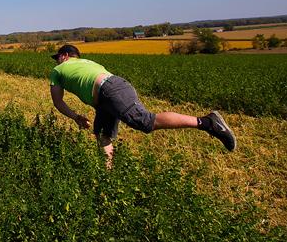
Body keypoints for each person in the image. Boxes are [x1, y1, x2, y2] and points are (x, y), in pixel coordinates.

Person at [49, 44, 235, 167]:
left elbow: (57, 101)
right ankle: (108, 175)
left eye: (57, 57)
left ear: (65, 56)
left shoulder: (58, 69)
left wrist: (75, 117)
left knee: (145, 122)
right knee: (102, 134)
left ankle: (208, 122)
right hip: (111, 92)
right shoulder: (87, 62)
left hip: (109, 91)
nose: (56, 60)